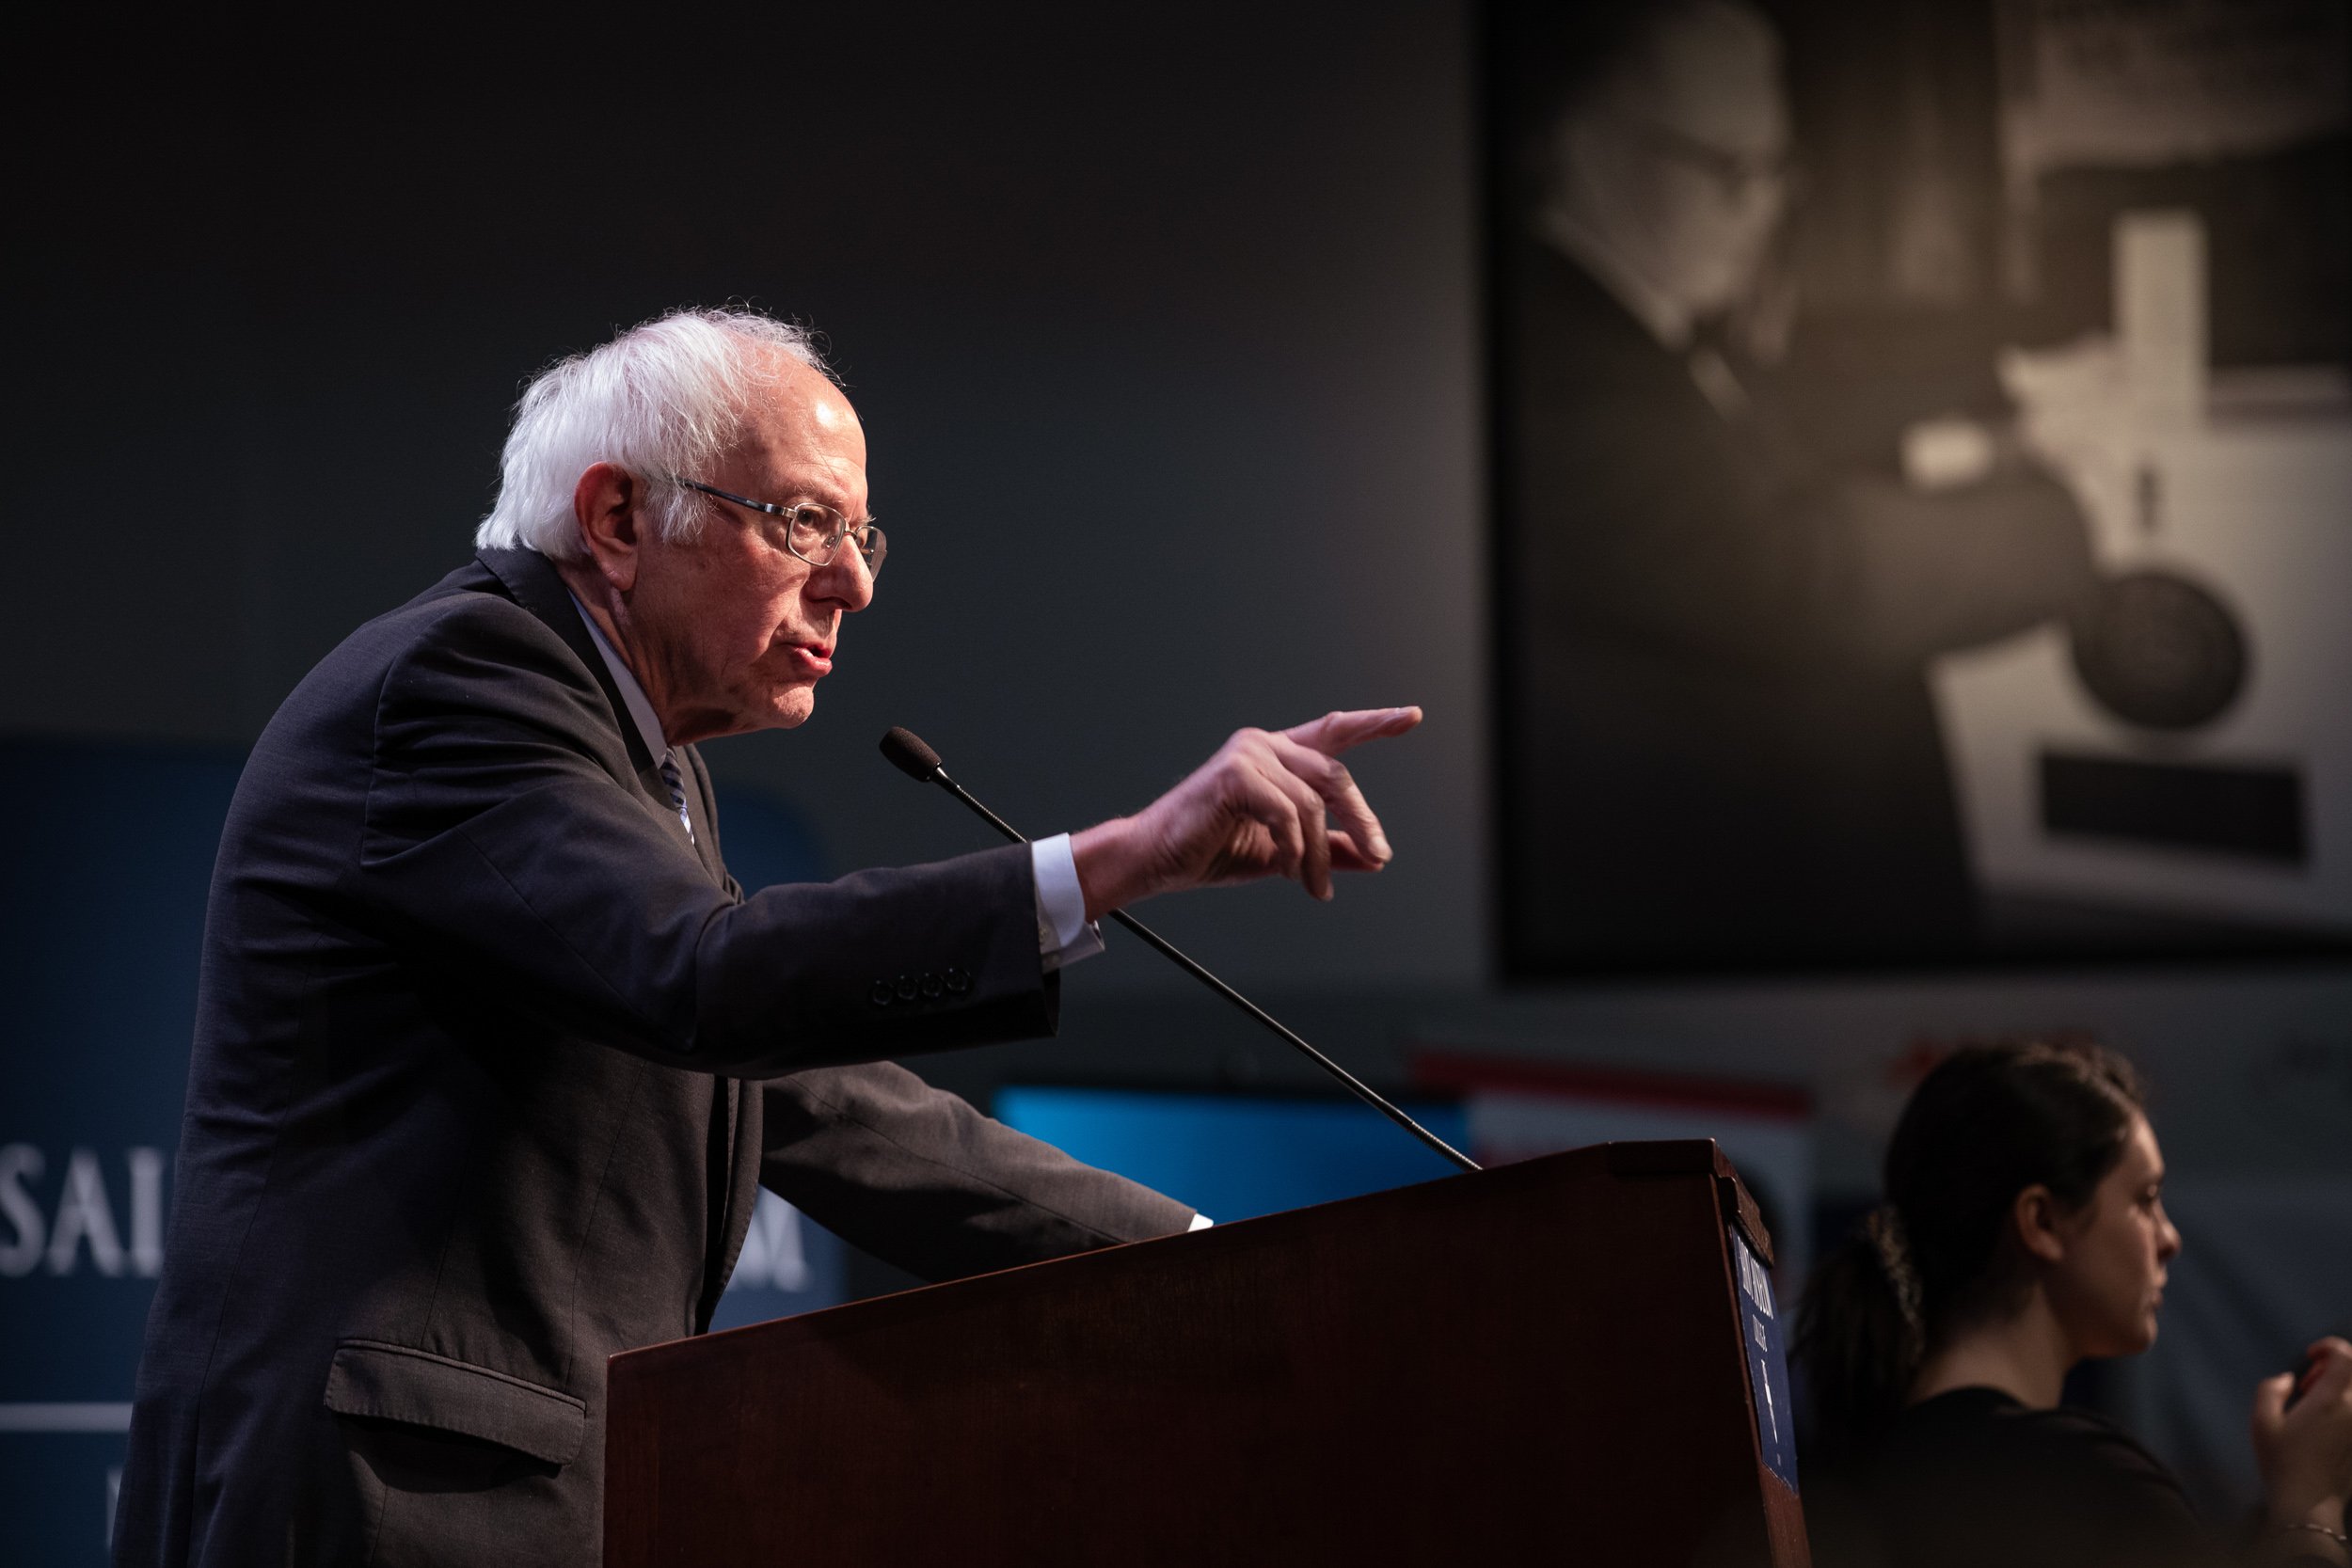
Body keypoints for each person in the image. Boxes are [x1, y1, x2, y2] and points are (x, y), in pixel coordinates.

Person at [113, 308, 1423, 1566]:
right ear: (620, 518)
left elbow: (825, 1104)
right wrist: (1120, 857)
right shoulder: (462, 687)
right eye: (803, 521)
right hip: (375, 1506)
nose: (851, 579)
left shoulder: (643, 761)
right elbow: (709, 975)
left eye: (863, 535)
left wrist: (1218, 1262)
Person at [1495, 0, 2100, 969]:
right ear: (1577, 139)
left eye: (1777, 170)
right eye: (1727, 169)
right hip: (1739, 923)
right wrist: (2064, 517)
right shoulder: (1545, 360)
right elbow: (1800, 575)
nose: (1762, 207)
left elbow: (1789, 414)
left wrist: (2005, 386)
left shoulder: (1638, 318)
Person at [1794, 1040, 2352, 1567]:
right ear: (2042, 1222)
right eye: (2145, 1200)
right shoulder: (2087, 1483)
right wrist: (2310, 1504)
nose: (2169, 1238)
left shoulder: (1830, 1486)